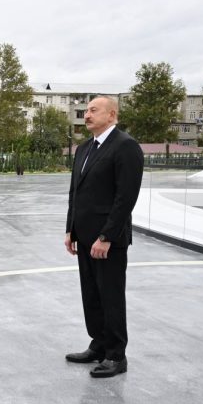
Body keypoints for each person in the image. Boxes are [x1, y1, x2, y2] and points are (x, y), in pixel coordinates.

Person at [64, 96, 144, 378]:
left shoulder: (126, 146)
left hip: (108, 240)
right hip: (84, 236)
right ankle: (98, 344)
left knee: (110, 296)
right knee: (92, 295)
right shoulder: (84, 148)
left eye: (93, 110)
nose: (87, 115)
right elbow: (75, 192)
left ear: (111, 115)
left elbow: (126, 197)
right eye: (86, 110)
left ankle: (116, 355)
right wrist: (70, 229)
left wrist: (107, 236)